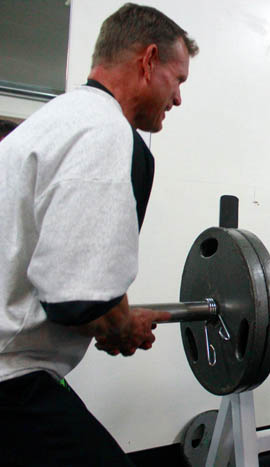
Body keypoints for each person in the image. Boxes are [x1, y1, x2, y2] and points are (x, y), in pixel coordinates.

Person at [0, 4, 198, 466]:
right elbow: (79, 299)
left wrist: (118, 317)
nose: (178, 99)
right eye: (179, 80)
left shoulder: (52, 123)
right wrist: (122, 325)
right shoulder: (105, 131)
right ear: (148, 61)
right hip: (13, 379)